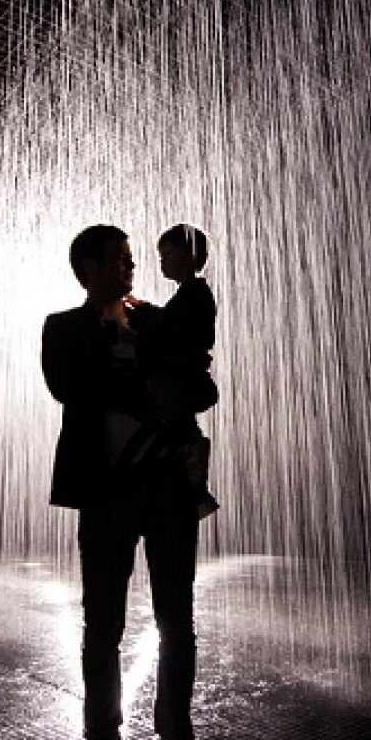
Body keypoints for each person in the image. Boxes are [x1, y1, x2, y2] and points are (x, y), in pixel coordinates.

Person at [41, 225, 216, 740]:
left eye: (133, 257)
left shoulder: (159, 319)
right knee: (102, 631)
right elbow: (72, 385)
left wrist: (176, 388)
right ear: (87, 267)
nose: (133, 265)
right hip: (107, 498)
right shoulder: (63, 328)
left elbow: (203, 381)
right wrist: (149, 390)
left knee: (177, 625)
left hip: (167, 493)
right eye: (119, 259)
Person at [127, 223, 219, 520]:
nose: (162, 261)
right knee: (179, 433)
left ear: (191, 258)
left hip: (180, 376)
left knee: (176, 435)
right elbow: (168, 323)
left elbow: (171, 331)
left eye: (168, 254)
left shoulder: (195, 295)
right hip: (183, 378)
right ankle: (192, 489)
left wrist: (140, 319)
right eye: (160, 255)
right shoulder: (191, 294)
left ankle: (193, 491)